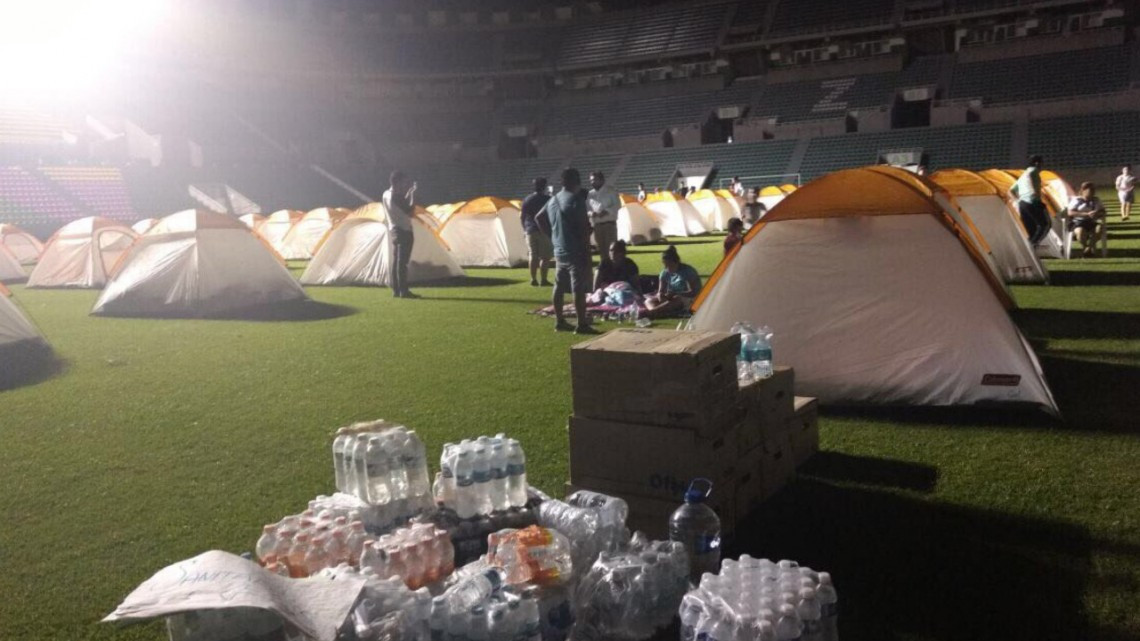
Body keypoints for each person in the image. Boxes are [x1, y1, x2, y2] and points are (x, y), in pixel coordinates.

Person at [537, 168, 594, 334]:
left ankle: (559, 320)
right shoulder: (576, 200)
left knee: (559, 285)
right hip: (576, 250)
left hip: (560, 250)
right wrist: (587, 252)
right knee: (578, 287)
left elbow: (539, 218)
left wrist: (552, 236)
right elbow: (584, 230)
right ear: (577, 182)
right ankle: (582, 324)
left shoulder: (553, 199)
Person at [382, 170, 419, 299]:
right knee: (402, 262)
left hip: (393, 229)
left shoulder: (386, 194)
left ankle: (396, 290)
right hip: (404, 230)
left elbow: (400, 206)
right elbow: (410, 211)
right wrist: (413, 195)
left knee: (396, 261)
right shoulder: (396, 196)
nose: (405, 184)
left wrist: (407, 194)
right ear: (398, 182)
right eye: (403, 181)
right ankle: (404, 291)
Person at [645, 245, 701, 319]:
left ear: (675, 262)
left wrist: (676, 293)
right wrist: (661, 296)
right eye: (665, 265)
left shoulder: (688, 271)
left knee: (677, 299)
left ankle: (654, 312)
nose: (666, 267)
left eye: (668, 265)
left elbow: (695, 291)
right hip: (670, 298)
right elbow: (660, 291)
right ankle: (658, 311)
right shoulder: (664, 273)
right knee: (649, 300)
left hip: (687, 298)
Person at [1009, 155, 1050, 245]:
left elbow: (1011, 190)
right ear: (1037, 163)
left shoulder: (1022, 175)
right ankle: (1033, 244)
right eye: (1042, 163)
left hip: (1023, 204)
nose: (1043, 165)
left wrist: (1017, 200)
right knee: (1045, 225)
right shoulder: (1033, 170)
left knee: (1031, 229)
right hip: (1033, 201)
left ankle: (1030, 248)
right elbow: (1030, 175)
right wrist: (1033, 190)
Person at [520, 177, 553, 287]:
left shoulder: (527, 199)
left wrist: (524, 229)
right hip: (543, 230)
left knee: (532, 255)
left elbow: (522, 216)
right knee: (545, 257)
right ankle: (543, 279)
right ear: (544, 186)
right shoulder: (548, 199)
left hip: (530, 230)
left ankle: (533, 279)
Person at [587, 171, 620, 263]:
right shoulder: (590, 194)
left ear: (602, 180)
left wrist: (606, 212)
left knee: (612, 251)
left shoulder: (611, 190)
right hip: (597, 226)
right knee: (602, 252)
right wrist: (591, 213)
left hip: (609, 225)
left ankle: (614, 273)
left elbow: (617, 205)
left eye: (594, 180)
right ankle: (605, 273)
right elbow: (587, 209)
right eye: (591, 180)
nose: (592, 182)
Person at [1067, 182, 1107, 257]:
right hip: (1078, 222)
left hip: (1091, 222)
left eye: (1093, 190)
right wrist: (1086, 214)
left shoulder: (1096, 200)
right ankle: (1087, 248)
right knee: (1081, 232)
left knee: (1100, 228)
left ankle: (1088, 249)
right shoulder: (1077, 200)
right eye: (1090, 190)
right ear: (1083, 191)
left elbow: (1103, 211)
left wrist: (1097, 213)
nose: (1092, 192)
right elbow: (1070, 212)